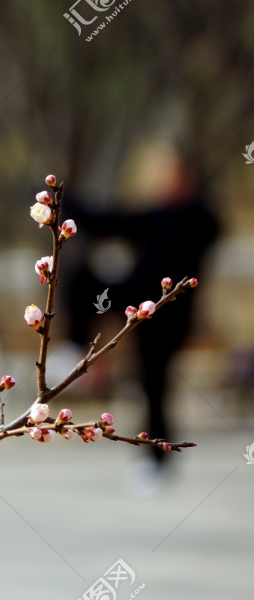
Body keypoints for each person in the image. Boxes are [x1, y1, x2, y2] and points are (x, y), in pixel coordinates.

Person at [62, 142, 219, 487]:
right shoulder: (156, 214)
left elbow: (204, 228)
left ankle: (157, 461)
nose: (159, 179)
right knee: (81, 280)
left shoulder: (198, 218)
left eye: (167, 172)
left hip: (167, 317)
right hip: (136, 299)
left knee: (153, 385)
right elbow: (104, 223)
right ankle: (73, 348)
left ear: (186, 176)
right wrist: (63, 197)